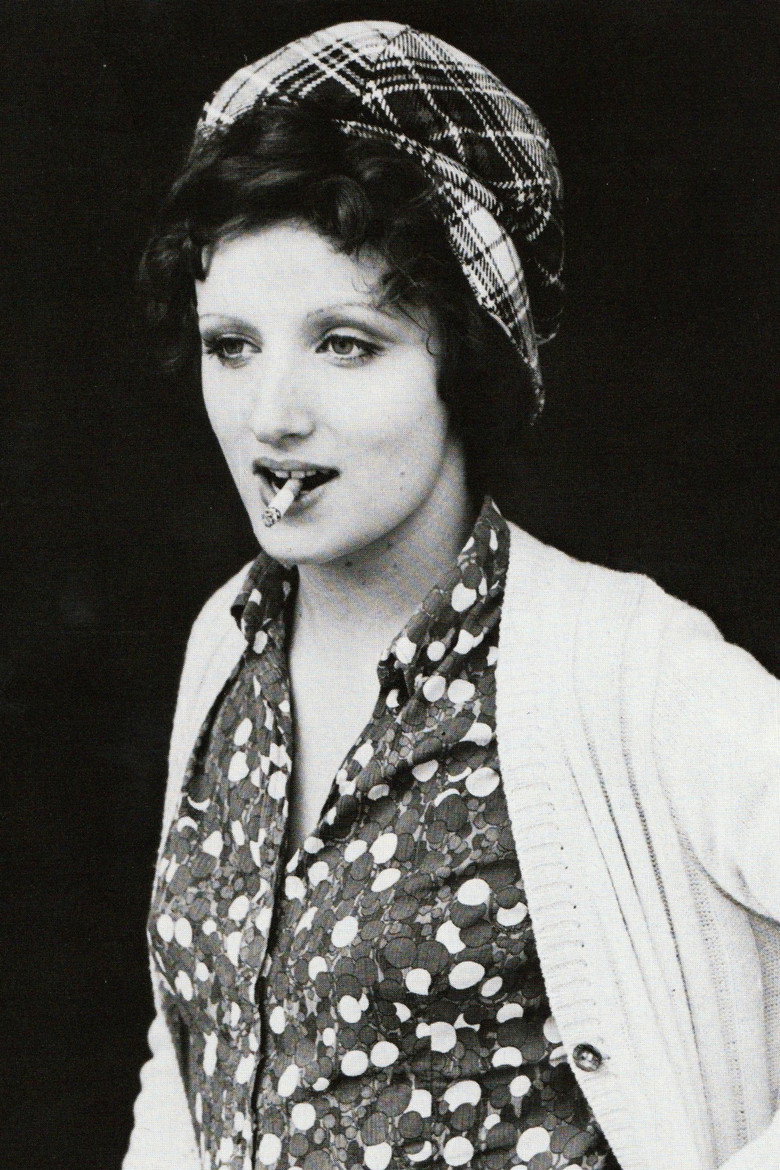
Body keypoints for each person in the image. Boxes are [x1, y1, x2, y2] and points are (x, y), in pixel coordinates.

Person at [124, 21, 779, 1170]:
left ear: (467, 359)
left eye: (345, 344)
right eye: (232, 345)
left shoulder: (627, 668)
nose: (272, 414)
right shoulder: (224, 646)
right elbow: (196, 1056)